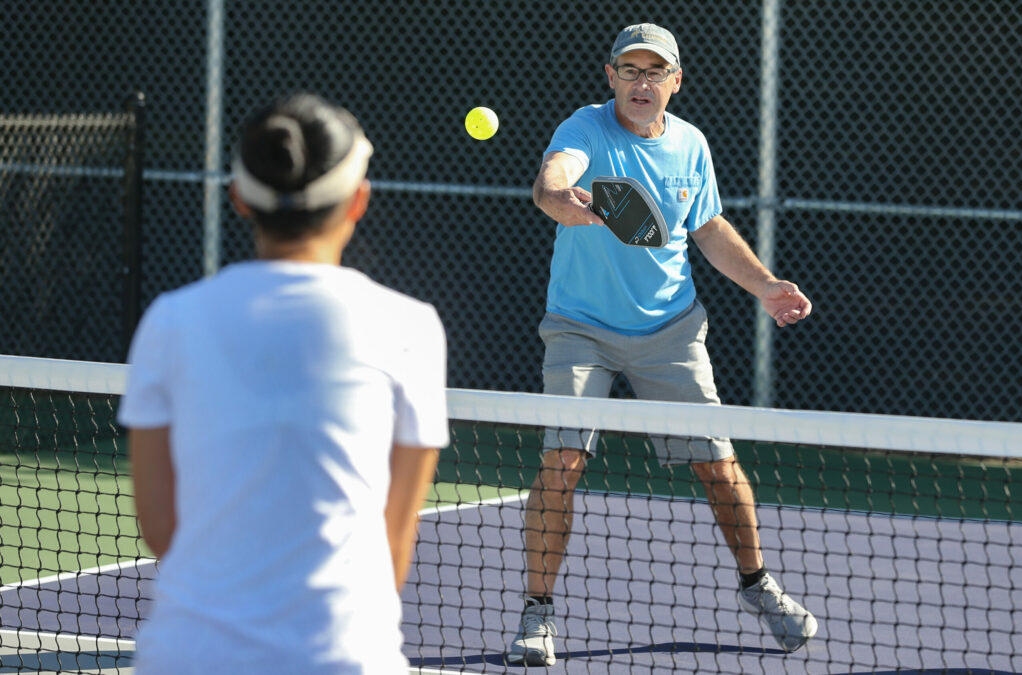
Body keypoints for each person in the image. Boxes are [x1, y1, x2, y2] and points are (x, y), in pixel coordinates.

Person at [507, 24, 817, 666]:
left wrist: (765, 285)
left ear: (675, 81)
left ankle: (758, 587)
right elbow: (553, 178)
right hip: (580, 328)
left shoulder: (691, 144)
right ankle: (537, 616)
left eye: (655, 72)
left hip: (671, 330)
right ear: (610, 75)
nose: (641, 83)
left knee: (718, 465)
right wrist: (556, 196)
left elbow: (706, 226)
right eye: (630, 70)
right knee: (561, 461)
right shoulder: (585, 129)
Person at [119, 93, 448, 674]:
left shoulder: (169, 320)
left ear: (239, 199)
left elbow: (159, 524)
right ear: (359, 201)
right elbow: (394, 543)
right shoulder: (410, 328)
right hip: (346, 658)